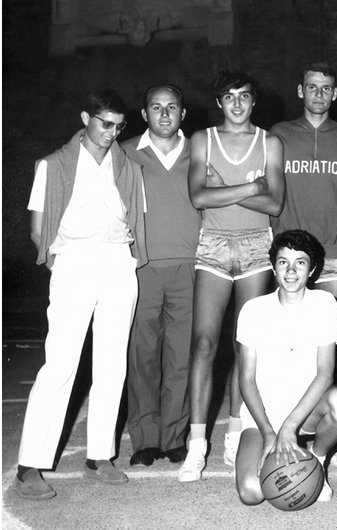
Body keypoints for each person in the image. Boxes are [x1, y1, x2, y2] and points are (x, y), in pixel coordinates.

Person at [15, 89, 146, 500]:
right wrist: (66, 265)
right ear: (86, 117)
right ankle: (29, 465)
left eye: (118, 126)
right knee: (61, 365)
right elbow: (39, 230)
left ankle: (99, 456)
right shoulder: (52, 165)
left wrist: (123, 262)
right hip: (74, 260)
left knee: (112, 363)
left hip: (118, 262)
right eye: (104, 123)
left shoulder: (129, 167)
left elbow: (136, 222)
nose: (111, 132)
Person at [180, 71, 285, 482]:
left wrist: (229, 187)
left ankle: (235, 433)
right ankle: (196, 445)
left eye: (244, 96)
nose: (237, 103)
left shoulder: (269, 142)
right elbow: (198, 197)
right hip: (214, 245)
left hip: (259, 245)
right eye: (229, 96)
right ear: (219, 102)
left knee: (247, 347)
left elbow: (274, 204)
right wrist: (250, 185)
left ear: (254, 101)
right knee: (204, 343)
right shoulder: (203, 139)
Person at [270, 62, 337, 468]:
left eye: (326, 88)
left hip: (336, 251)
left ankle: (332, 436)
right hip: (290, 255)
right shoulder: (279, 134)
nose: (319, 94)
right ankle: (271, 424)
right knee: (281, 340)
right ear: (300, 90)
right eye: (312, 87)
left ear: (335, 93)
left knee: (333, 344)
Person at [235, 230, 337, 505]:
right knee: (252, 493)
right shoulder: (253, 309)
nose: (291, 271)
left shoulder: (325, 304)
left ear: (311, 269)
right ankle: (265, 445)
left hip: (306, 410)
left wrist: (290, 427)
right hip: (263, 415)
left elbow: (325, 374)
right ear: (273, 267)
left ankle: (318, 459)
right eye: (283, 262)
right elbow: (246, 380)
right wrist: (268, 432)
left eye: (300, 262)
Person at [122, 84, 200, 468]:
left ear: (183, 113)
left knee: (181, 357)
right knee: (142, 358)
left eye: (172, 107)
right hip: (143, 267)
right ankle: (145, 439)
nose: (165, 114)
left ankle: (173, 438)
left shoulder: (200, 151)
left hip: (190, 265)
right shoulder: (125, 153)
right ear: (144, 114)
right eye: (156, 107)